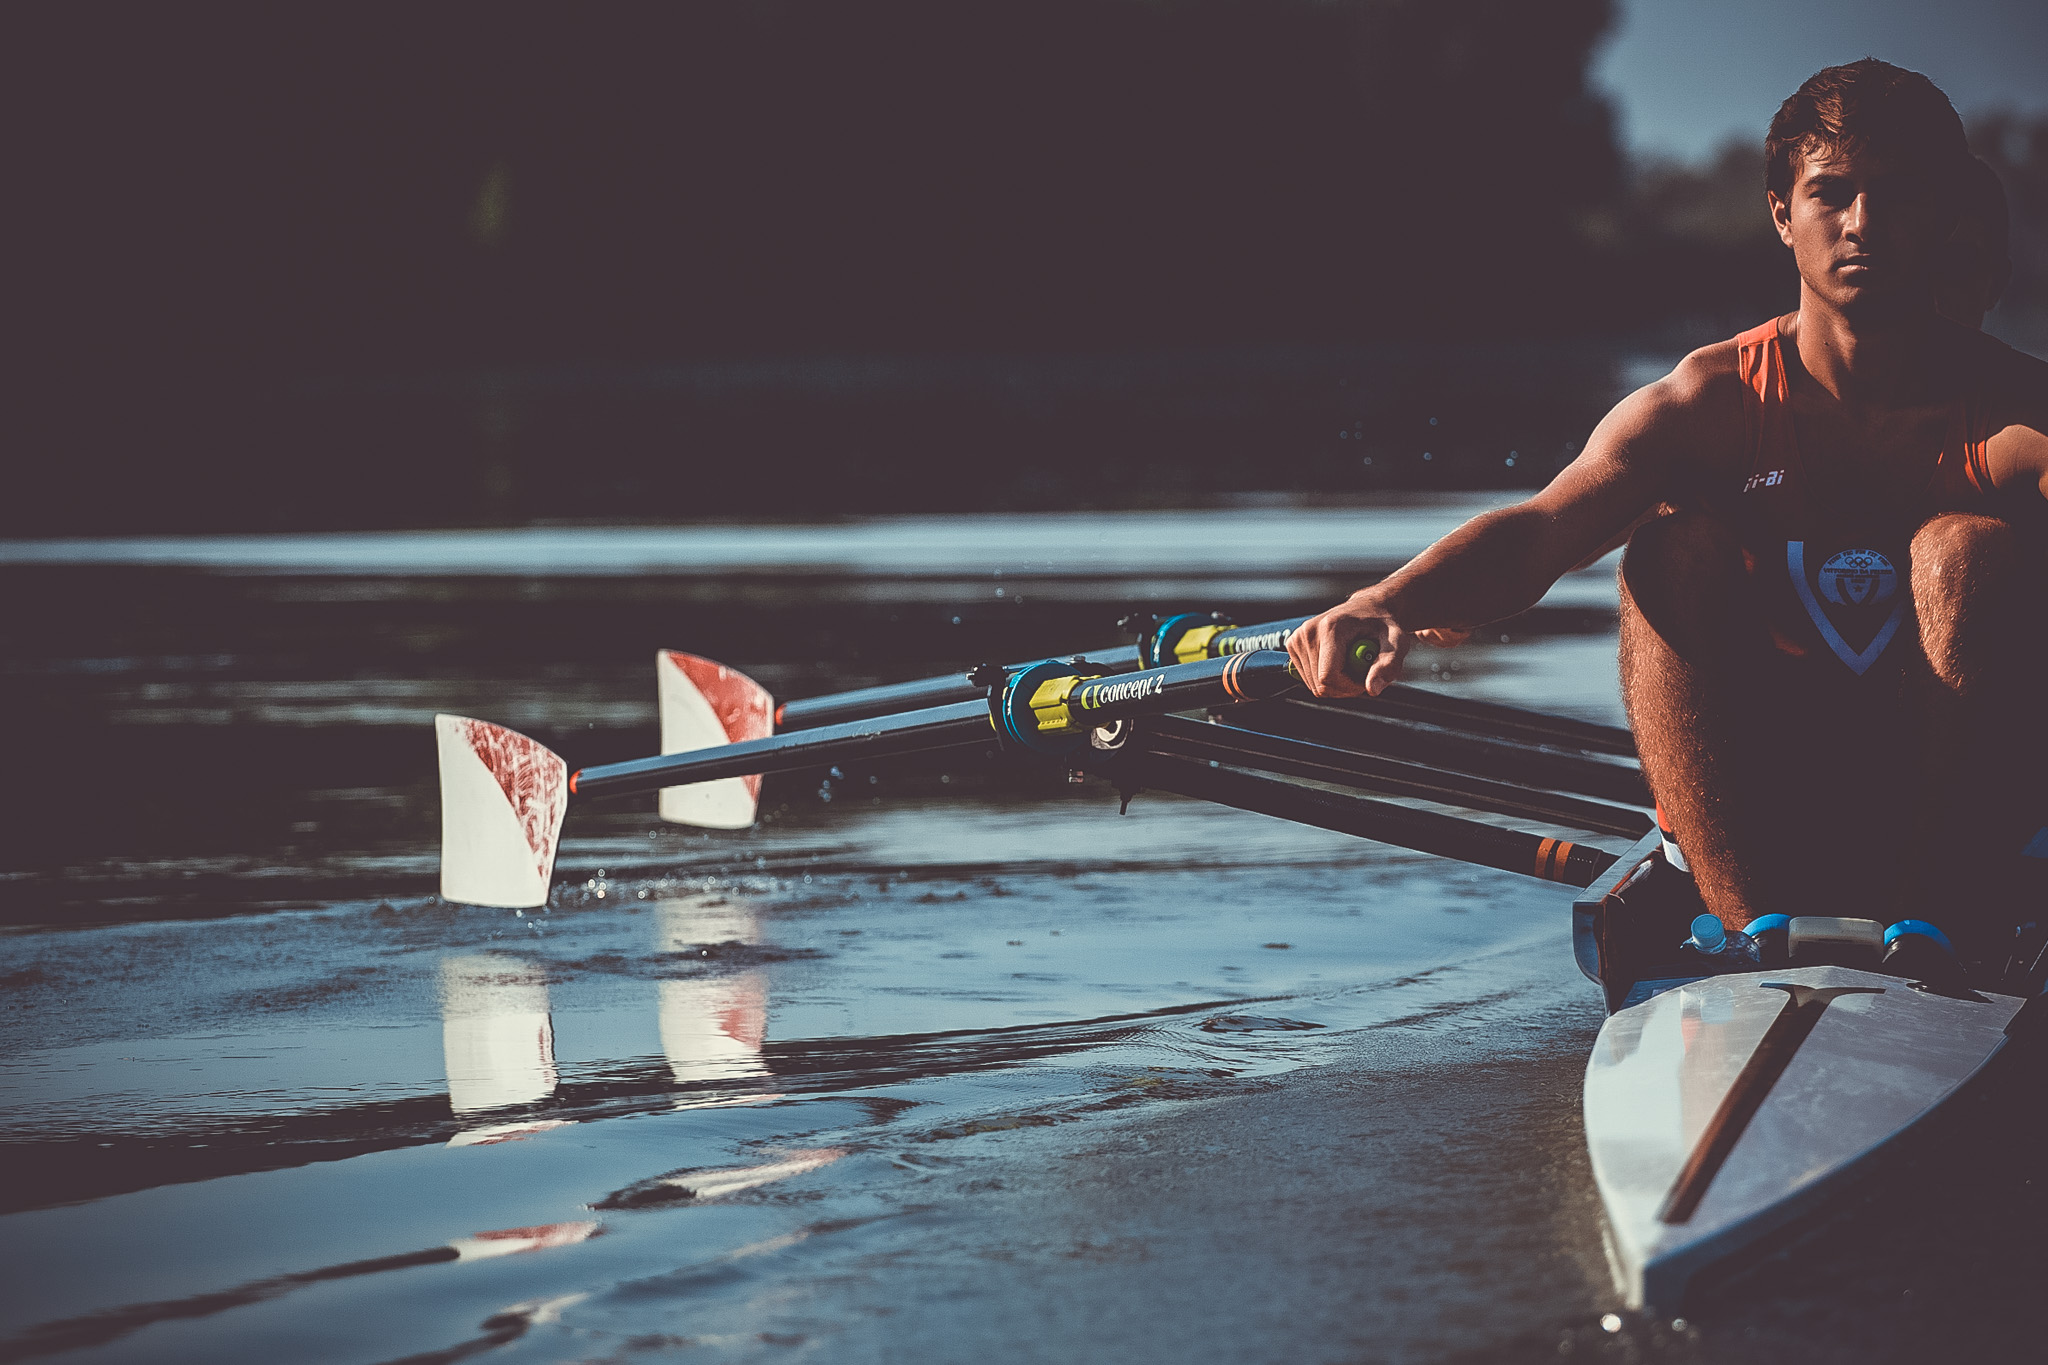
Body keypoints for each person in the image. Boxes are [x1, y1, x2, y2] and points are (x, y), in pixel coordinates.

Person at [1286, 60, 2048, 954]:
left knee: (1969, 550)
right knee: (1669, 553)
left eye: (1898, 196)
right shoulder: (1708, 405)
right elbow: (1541, 532)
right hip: (1767, 817)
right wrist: (1387, 602)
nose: (1863, 225)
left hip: (1961, 825)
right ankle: (1745, 931)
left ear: (1944, 218)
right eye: (1830, 195)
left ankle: (1940, 920)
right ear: (1780, 214)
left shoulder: (2017, 419)